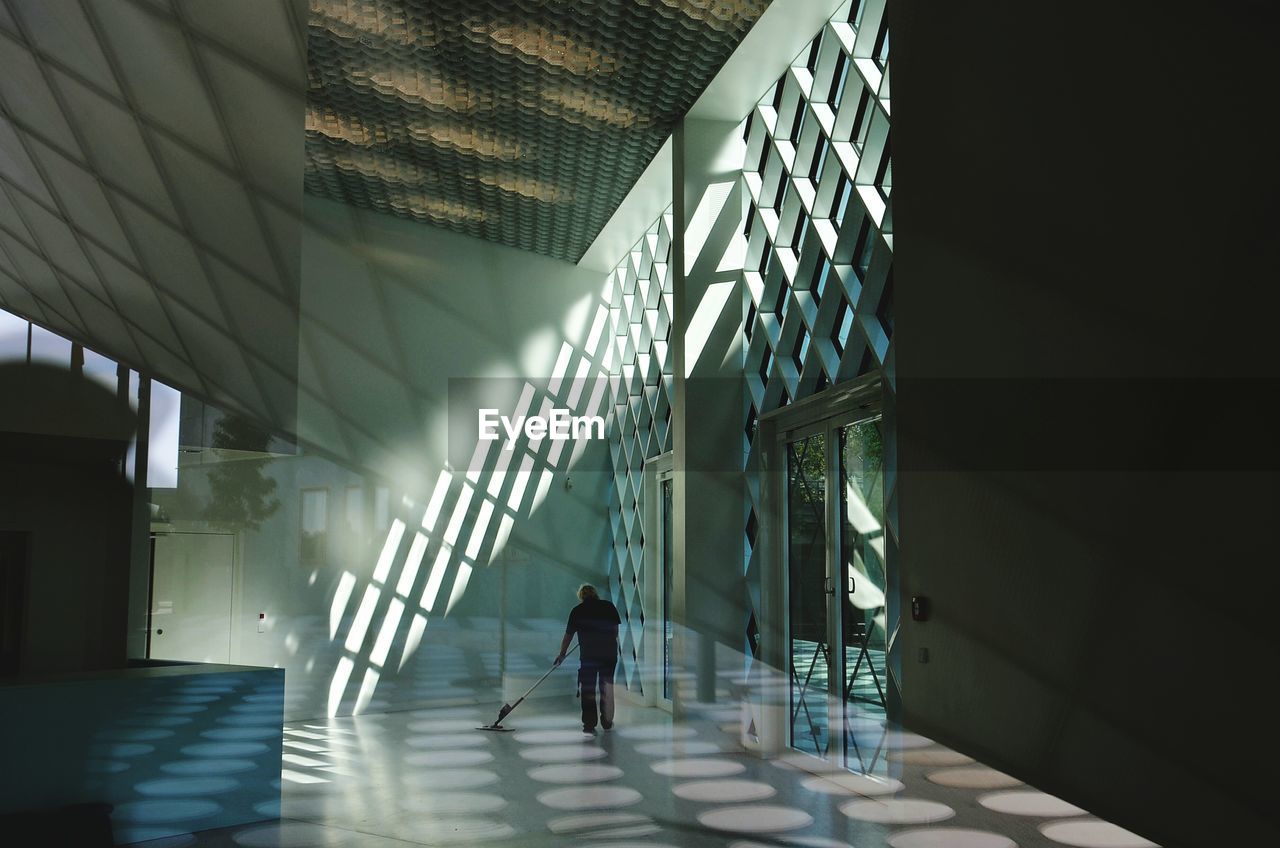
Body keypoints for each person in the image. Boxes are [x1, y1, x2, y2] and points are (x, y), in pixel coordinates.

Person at [555, 583, 621, 734]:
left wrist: (562, 654)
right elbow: (615, 632)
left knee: (588, 689)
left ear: (581, 596)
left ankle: (589, 724)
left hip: (589, 656)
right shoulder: (609, 607)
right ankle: (607, 721)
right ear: (595, 594)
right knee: (607, 688)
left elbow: (568, 637)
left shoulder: (577, 611)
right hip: (609, 654)